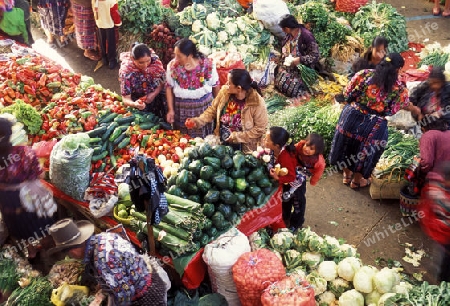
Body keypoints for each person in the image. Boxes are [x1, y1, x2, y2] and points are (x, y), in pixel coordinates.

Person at [329, 53, 414, 189]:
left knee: (347, 145)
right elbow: (391, 111)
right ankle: (357, 181)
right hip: (374, 124)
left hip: (351, 117)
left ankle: (346, 176)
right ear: (398, 70)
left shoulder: (364, 74)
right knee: (364, 152)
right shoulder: (400, 90)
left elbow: (347, 94)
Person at [47, 218, 171, 305]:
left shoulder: (103, 261)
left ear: (74, 250)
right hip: (149, 278)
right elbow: (120, 274)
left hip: (148, 296)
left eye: (67, 252)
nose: (69, 255)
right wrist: (104, 290)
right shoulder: (102, 238)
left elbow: (125, 296)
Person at [0, 118, 56, 259]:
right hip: (30, 197)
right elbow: (41, 174)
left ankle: (31, 251)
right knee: (41, 223)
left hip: (8, 201)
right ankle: (48, 246)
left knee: (19, 227)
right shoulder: (24, 152)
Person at [185, 69, 268, 153]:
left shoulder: (257, 102)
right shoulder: (225, 92)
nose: (226, 84)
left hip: (244, 147)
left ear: (238, 88)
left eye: (229, 83)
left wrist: (237, 137)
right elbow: (212, 110)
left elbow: (260, 129)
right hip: (222, 139)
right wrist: (198, 121)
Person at [166, 38, 220, 137]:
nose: (176, 59)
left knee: (203, 139)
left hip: (204, 109)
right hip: (182, 108)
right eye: (175, 55)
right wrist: (171, 110)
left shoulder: (208, 65)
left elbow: (215, 86)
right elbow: (169, 87)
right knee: (182, 139)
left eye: (179, 56)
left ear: (190, 55)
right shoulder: (173, 66)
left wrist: (218, 108)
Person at [282, 133, 326, 231]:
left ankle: (296, 223)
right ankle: (285, 217)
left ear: (317, 152)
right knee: (285, 198)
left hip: (300, 181)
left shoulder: (318, 161)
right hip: (290, 174)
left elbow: (319, 171)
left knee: (298, 201)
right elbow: (290, 152)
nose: (307, 149)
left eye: (311, 149)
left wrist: (313, 181)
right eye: (307, 145)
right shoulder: (299, 147)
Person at [418, 161, 450, 282]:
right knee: (443, 259)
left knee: (442, 257)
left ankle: (441, 277)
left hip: (441, 235)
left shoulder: (437, 190)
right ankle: (442, 279)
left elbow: (426, 209)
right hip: (443, 236)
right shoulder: (439, 193)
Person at [275, 14, 320, 98]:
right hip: (290, 66)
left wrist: (299, 60)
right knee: (279, 82)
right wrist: (281, 58)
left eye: (283, 28)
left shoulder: (306, 35)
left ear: (287, 28)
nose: (282, 30)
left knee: (291, 89)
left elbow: (315, 55)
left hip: (302, 69)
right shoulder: (288, 36)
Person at [119, 43, 166, 118]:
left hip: (157, 99)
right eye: (141, 62)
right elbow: (126, 98)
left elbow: (163, 81)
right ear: (132, 59)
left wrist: (154, 94)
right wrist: (135, 104)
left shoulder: (156, 63)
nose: (145, 65)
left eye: (148, 61)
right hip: (139, 103)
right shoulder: (127, 72)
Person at [264, 127, 297, 227]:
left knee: (287, 202)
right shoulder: (273, 150)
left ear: (276, 145)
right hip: (284, 178)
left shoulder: (285, 156)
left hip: (293, 183)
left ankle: (289, 222)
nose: (264, 140)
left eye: (267, 140)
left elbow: (292, 177)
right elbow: (272, 161)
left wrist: (278, 178)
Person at [93, 0, 122, 69]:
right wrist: (118, 23)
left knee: (102, 42)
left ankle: (104, 58)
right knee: (111, 43)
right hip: (109, 25)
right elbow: (115, 14)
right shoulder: (111, 2)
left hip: (100, 24)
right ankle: (111, 60)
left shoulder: (96, 1)